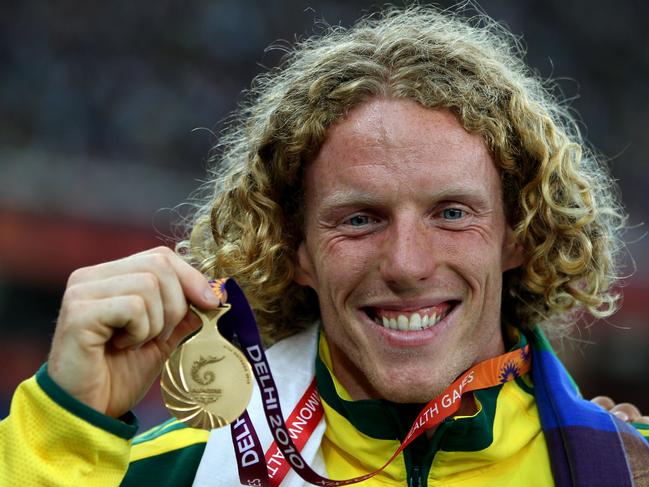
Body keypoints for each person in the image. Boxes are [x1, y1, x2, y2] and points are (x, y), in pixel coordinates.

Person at [1, 5, 648, 487]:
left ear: (517, 232)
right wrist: (64, 431)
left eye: (451, 213)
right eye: (359, 219)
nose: (405, 263)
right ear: (296, 248)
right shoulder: (171, 472)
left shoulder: (626, 466)